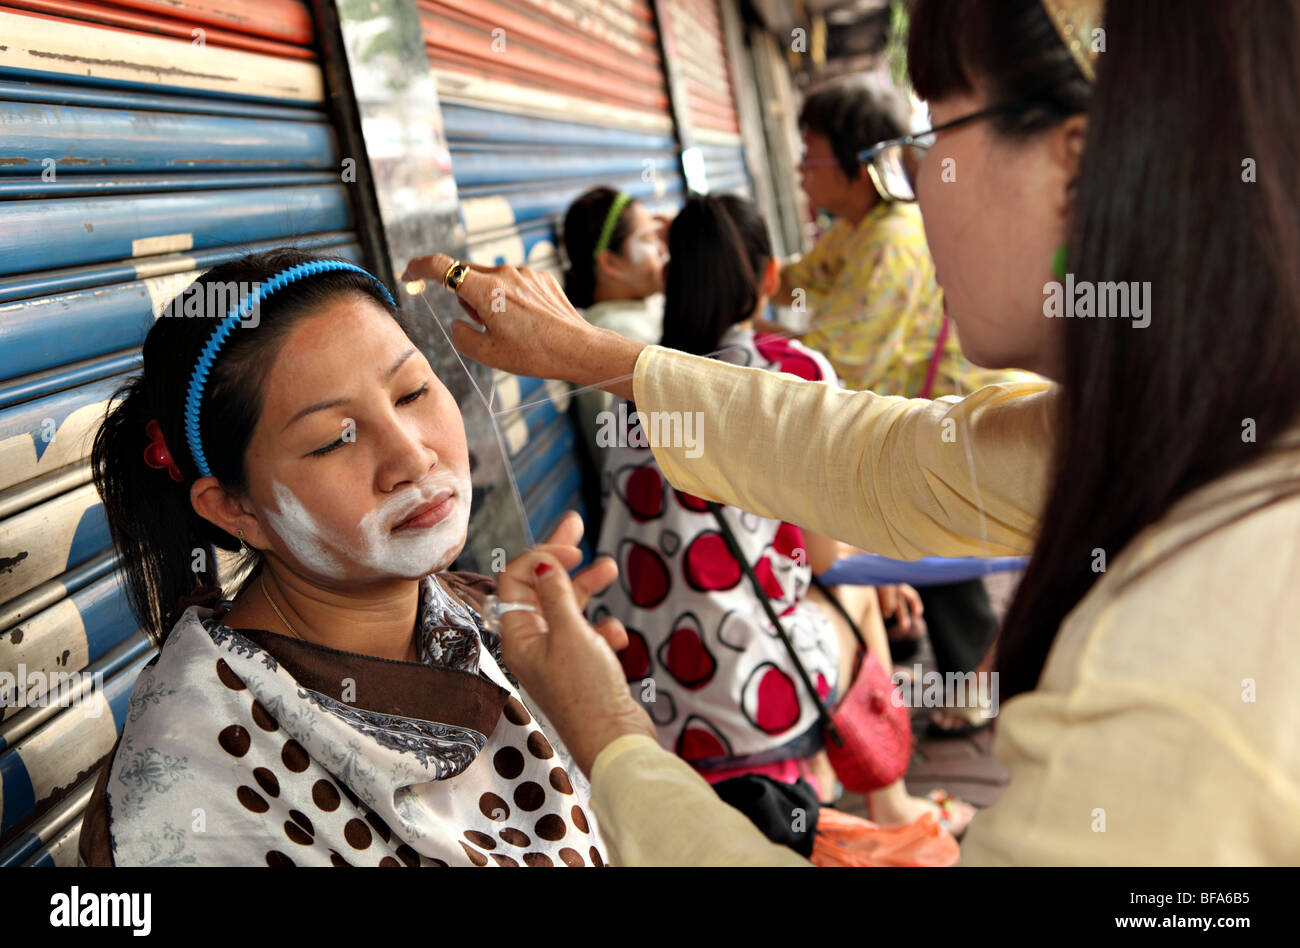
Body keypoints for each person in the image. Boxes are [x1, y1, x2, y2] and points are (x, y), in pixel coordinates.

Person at [403, 0, 1300, 865]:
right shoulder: (1201, 435)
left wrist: (610, 736)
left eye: (932, 141)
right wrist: (598, 356)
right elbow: (882, 457)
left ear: (1074, 165)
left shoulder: (1183, 658)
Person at [79, 247, 614, 867]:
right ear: (234, 510)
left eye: (412, 393)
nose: (412, 458)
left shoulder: (498, 625)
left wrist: (596, 718)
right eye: (335, 439)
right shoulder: (191, 775)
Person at [593, 191, 973, 835]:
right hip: (747, 689)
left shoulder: (633, 396)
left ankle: (821, 776)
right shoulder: (792, 369)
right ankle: (892, 804)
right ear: (769, 277)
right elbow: (825, 558)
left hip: (644, 691)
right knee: (855, 598)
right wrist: (888, 574)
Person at [773, 76, 1027, 730]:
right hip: (929, 428)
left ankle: (978, 689)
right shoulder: (855, 230)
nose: (801, 168)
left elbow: (844, 357)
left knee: (944, 552)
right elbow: (798, 276)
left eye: (810, 151)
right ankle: (966, 679)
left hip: (956, 426)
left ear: (858, 161)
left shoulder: (889, 238)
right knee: (936, 553)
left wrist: (745, 344)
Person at [561, 188, 669, 472]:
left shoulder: (641, 309)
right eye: (647, 239)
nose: (662, 250)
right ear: (610, 262)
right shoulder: (610, 339)